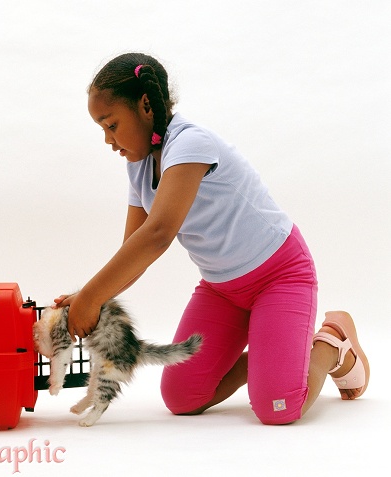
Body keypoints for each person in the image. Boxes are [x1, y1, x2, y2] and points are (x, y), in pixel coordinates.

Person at [53, 52, 370, 425]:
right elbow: (133, 247)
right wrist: (91, 297)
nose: (108, 140)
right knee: (182, 397)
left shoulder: (190, 144)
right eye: (101, 129)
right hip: (223, 290)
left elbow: (157, 235)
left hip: (280, 276)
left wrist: (92, 297)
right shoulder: (137, 167)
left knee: (279, 408)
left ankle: (330, 343)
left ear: (144, 106)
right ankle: (276, 358)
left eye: (111, 125)